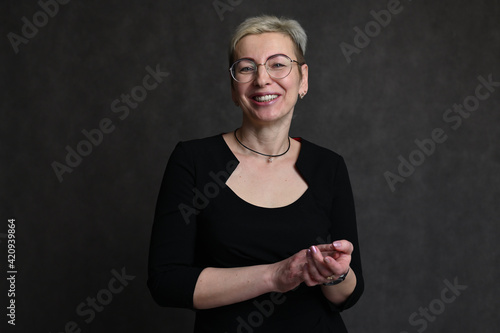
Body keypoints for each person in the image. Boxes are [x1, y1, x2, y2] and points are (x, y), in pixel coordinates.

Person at [148, 15, 364, 332]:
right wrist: (274, 276)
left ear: (303, 79)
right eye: (247, 68)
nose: (262, 79)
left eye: (278, 64)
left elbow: (347, 295)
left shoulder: (328, 167)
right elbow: (166, 282)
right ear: (234, 89)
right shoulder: (193, 161)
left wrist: (336, 274)